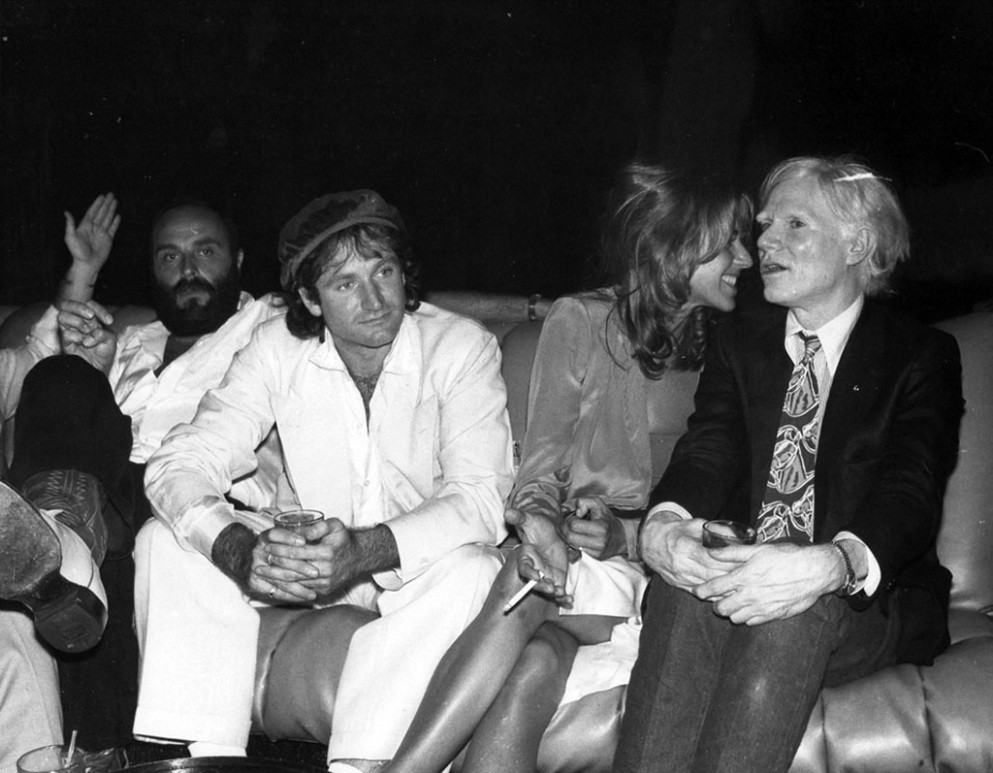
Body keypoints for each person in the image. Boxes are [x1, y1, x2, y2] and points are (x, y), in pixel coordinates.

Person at [385, 164, 753, 773]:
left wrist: (625, 535)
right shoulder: (581, 322)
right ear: (673, 248)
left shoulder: (739, 351)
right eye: (727, 243)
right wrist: (545, 527)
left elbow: (733, 507)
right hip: (575, 564)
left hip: (664, 576)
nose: (746, 257)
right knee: (536, 646)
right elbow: (540, 473)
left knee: (525, 585)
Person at [133, 189, 514, 772]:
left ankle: (360, 765)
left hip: (413, 571)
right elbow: (178, 462)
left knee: (477, 569)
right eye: (345, 283)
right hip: (303, 563)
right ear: (310, 299)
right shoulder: (275, 349)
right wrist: (239, 551)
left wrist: (365, 549)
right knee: (163, 539)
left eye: (383, 271)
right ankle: (209, 758)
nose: (375, 300)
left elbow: (480, 498)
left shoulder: (460, 347)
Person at [614, 156, 964, 773]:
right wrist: (662, 525)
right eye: (765, 225)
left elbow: (910, 489)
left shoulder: (920, 354)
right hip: (751, 567)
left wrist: (828, 565)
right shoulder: (738, 342)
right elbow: (708, 450)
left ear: (856, 244)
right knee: (679, 590)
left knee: (789, 611)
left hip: (863, 601)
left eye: (795, 224)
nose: (765, 243)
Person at [0, 196, 284, 765]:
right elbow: (38, 389)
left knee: (85, 547)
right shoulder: (133, 342)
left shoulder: (276, 327)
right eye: (169, 256)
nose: (188, 269)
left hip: (202, 502)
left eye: (205, 251)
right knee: (63, 374)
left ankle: (61, 543)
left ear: (238, 260)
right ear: (152, 270)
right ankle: (63, 536)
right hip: (108, 500)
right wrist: (99, 370)